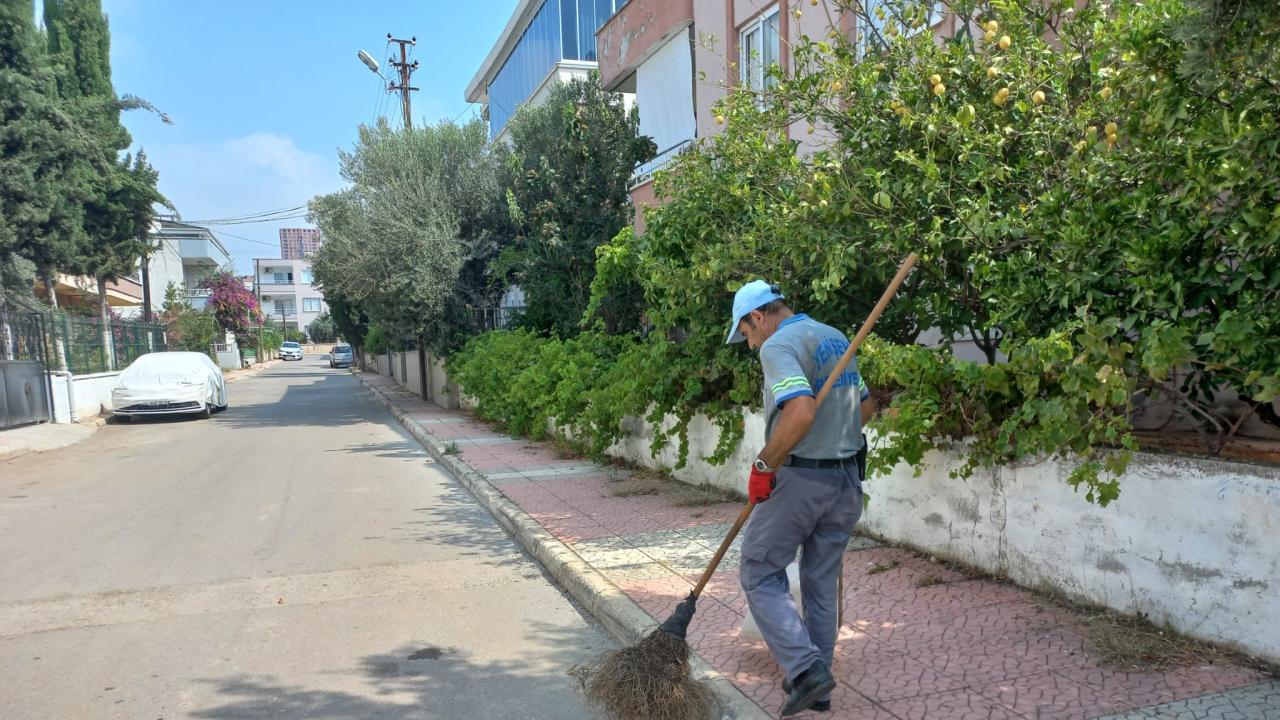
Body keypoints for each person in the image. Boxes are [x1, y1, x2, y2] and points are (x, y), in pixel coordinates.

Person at [726, 280, 872, 716]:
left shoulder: (778, 346)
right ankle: (819, 689)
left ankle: (805, 671)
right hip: (846, 481)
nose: (751, 345)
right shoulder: (833, 336)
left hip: (801, 480)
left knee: (758, 570)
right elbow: (863, 407)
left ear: (758, 316)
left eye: (747, 334)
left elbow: (802, 410)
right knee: (820, 582)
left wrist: (764, 465)